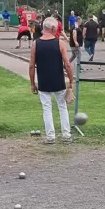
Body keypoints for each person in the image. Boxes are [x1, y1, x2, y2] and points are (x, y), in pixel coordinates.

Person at [29, 16, 74, 144]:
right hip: (58, 80)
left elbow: (32, 65)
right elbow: (67, 64)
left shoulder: (35, 44)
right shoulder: (59, 43)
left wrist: (32, 83)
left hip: (43, 80)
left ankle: (50, 136)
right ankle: (66, 134)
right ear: (53, 28)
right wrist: (70, 80)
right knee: (62, 106)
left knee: (46, 108)